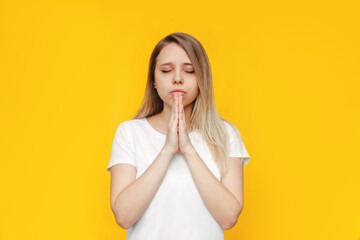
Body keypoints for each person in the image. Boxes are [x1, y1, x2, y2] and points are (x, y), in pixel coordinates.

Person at [106, 32, 251, 240]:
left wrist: (189, 148)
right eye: (166, 70)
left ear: (202, 79)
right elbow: (123, 216)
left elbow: (228, 218)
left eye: (189, 70)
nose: (177, 78)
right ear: (154, 81)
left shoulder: (226, 135)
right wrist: (167, 150)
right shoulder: (130, 132)